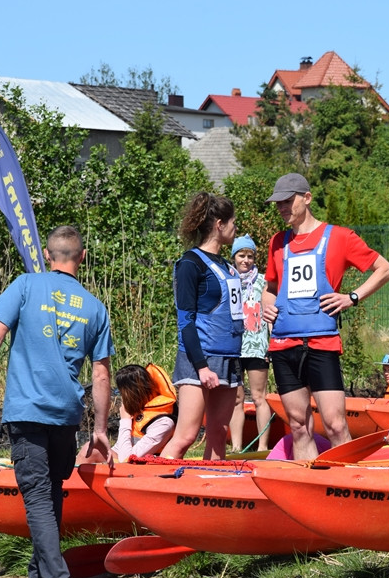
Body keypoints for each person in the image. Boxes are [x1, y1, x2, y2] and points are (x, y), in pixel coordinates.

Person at [0, 225, 114, 578]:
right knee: (51, 491)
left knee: (38, 496)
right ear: (82, 257)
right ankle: (40, 573)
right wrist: (101, 429)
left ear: (46, 256)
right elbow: (101, 373)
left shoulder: (25, 284)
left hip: (28, 411)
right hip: (66, 415)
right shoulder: (95, 306)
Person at [261, 173, 389, 460]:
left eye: (287, 201)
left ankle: (348, 485)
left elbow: (385, 268)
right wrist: (265, 305)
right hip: (284, 343)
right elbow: (270, 288)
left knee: (334, 424)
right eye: (278, 204)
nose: (281, 208)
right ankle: (306, 492)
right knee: (298, 425)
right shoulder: (277, 242)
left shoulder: (340, 237)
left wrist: (352, 297)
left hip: (322, 343)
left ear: (306, 198)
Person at [160, 192, 243, 461]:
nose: (236, 227)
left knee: (219, 433)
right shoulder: (190, 264)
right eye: (233, 222)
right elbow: (185, 322)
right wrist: (201, 366)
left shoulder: (228, 266)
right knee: (186, 436)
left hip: (228, 359)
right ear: (219, 224)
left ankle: (211, 489)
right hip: (199, 358)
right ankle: (158, 489)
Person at [227, 233, 273, 452]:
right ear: (234, 257)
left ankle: (262, 446)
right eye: (241, 255)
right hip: (234, 346)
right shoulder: (227, 279)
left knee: (258, 396)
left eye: (249, 256)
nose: (245, 260)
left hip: (256, 347)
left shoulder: (263, 281)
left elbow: (271, 312)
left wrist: (272, 343)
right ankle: (236, 446)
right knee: (236, 398)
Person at [79, 364, 177, 463]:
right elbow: (119, 449)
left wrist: (125, 420)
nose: (121, 398)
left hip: (142, 468)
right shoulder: (139, 412)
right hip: (126, 461)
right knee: (89, 449)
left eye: (121, 393)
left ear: (130, 394)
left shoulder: (163, 423)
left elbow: (126, 459)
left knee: (89, 450)